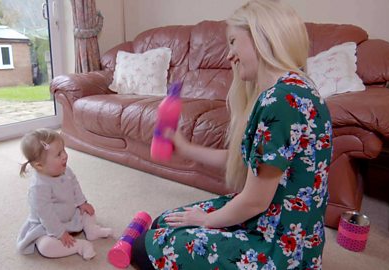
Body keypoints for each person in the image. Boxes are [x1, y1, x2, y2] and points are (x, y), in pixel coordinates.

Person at [131, 0, 332, 269]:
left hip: (277, 248)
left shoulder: (280, 101)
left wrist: (205, 221)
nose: (229, 55)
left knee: (143, 248)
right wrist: (184, 147)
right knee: (164, 222)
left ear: (262, 36)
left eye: (234, 42)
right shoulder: (299, 88)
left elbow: (254, 201)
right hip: (291, 234)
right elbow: (246, 161)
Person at [16, 128, 112, 259]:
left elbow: (74, 185)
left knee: (88, 211)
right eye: (58, 154)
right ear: (39, 165)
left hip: (70, 215)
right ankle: (79, 246)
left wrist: (82, 202)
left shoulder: (65, 170)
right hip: (46, 226)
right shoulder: (39, 187)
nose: (65, 156)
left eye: (64, 150)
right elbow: (46, 215)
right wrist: (59, 233)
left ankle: (92, 230)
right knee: (45, 247)